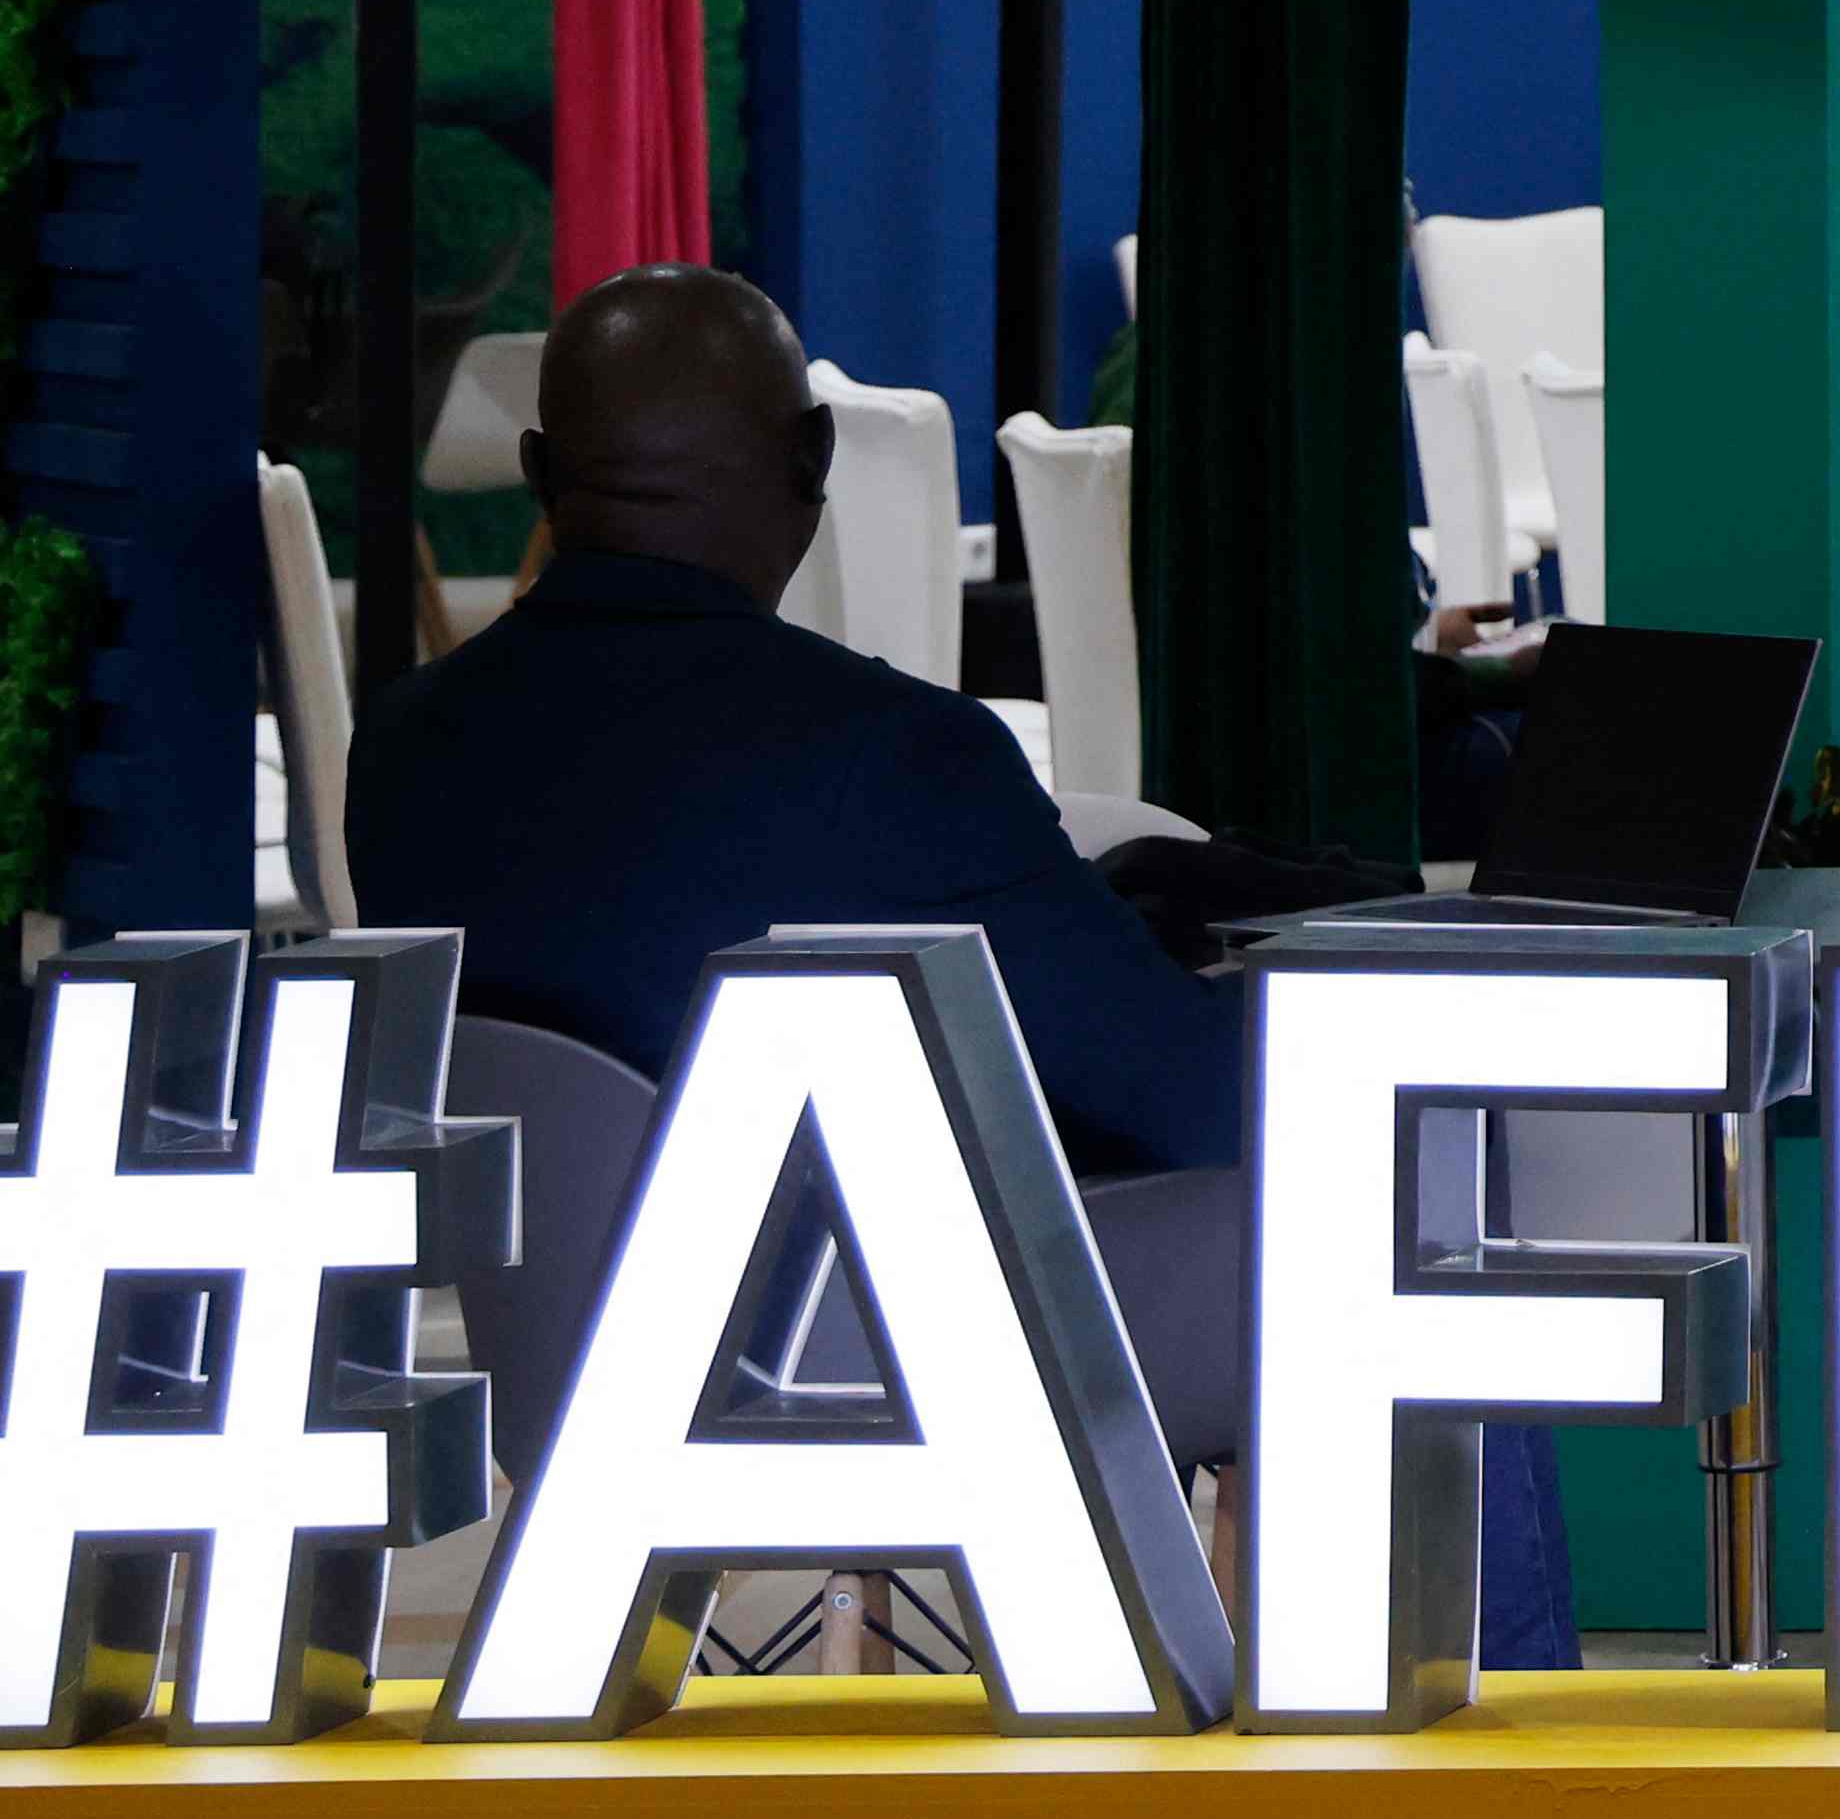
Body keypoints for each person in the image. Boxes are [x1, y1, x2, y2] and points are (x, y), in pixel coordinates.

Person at [352, 264, 1241, 1181]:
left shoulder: (397, 746)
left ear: (537, 472)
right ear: (814, 456)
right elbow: (1199, 1109)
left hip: (538, 1308)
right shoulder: (900, 757)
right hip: (859, 1311)